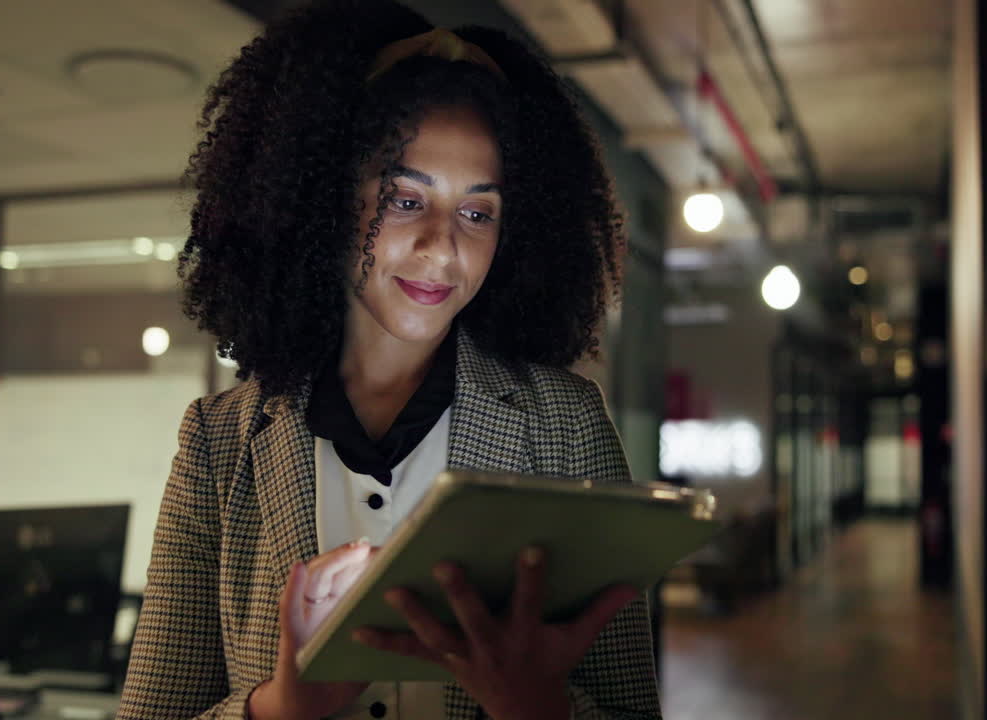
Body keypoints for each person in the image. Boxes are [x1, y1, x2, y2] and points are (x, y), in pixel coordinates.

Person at [116, 1, 660, 719]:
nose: (443, 248)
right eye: (406, 199)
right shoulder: (217, 444)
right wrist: (277, 708)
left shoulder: (568, 423)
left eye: (477, 213)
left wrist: (538, 708)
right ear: (325, 200)